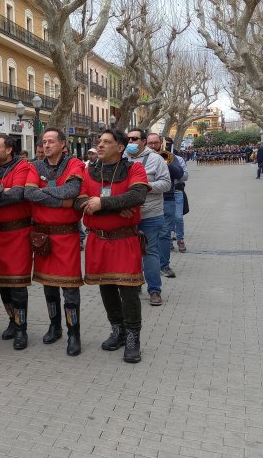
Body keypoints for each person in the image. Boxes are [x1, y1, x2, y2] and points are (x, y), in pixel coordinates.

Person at [74, 128, 149, 363]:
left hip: (124, 239)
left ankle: (133, 338)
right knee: (105, 287)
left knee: (128, 290)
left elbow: (137, 196)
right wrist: (115, 205)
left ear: (120, 147)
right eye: (100, 141)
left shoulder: (133, 168)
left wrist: (103, 204)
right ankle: (118, 330)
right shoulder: (89, 171)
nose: (101, 145)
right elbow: (79, 201)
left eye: (107, 142)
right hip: (98, 239)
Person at [25, 128, 86, 356]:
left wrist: (44, 191)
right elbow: (29, 193)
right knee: (49, 286)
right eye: (44, 141)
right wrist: (62, 203)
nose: (47, 145)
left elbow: (73, 189)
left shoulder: (74, 164)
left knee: (69, 288)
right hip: (42, 236)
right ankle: (55, 326)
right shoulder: (35, 165)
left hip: (66, 235)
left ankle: (74, 333)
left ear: (63, 144)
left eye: (52, 141)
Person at [0, 134, 33, 350]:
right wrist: (0, 191)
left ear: (9, 150)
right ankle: (12, 321)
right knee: (2, 283)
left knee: (18, 285)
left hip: (18, 234)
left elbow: (17, 195)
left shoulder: (22, 166)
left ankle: (22, 328)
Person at [124, 128, 170, 306]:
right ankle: (134, 284)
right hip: (126, 214)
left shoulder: (156, 159)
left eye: (134, 139)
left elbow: (166, 184)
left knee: (150, 252)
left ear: (143, 141)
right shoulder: (123, 159)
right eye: (128, 139)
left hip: (150, 213)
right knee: (130, 253)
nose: (131, 142)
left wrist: (144, 186)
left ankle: (155, 290)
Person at [146, 133, 184, 279]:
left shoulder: (168, 156)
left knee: (164, 233)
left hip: (167, 198)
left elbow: (179, 173)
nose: (153, 146)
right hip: (147, 200)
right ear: (145, 143)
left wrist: (165, 163)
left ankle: (164, 266)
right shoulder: (142, 158)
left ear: (161, 144)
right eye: (151, 143)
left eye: (156, 143)